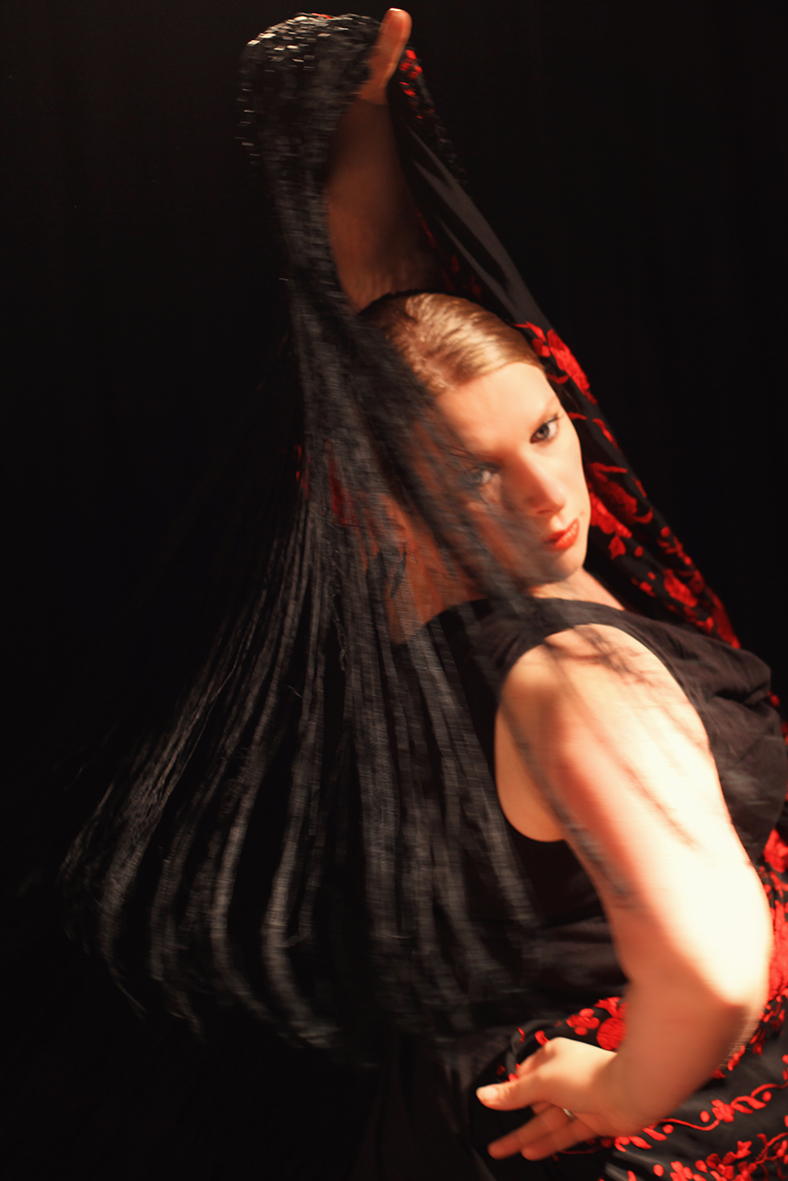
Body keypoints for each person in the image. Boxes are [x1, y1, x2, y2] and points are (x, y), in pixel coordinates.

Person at [60, 9, 788, 1180]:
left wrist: (359, 114)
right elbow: (711, 968)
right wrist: (622, 1085)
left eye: (544, 428)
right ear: (380, 502)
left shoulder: (427, 565)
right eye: (474, 471)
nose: (546, 491)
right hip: (620, 1126)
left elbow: (393, 304)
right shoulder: (573, 677)